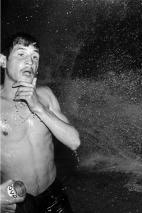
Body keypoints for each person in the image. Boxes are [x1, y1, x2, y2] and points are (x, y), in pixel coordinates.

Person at [0, 33, 81, 213]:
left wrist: (38, 107)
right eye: (21, 54)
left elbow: (74, 141)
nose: (30, 62)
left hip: (53, 193)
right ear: (3, 61)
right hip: (17, 203)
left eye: (35, 57)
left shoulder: (45, 95)